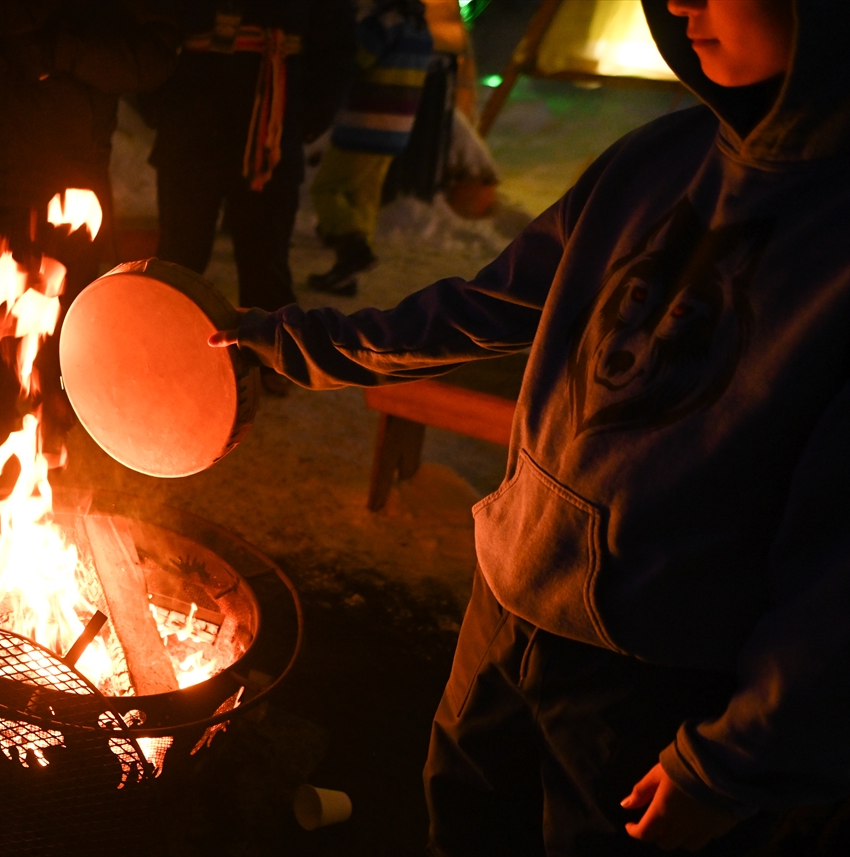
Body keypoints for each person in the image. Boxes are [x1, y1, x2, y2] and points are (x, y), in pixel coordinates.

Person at [213, 0, 850, 853]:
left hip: (659, 675)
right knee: (462, 824)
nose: (681, 4)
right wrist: (293, 345)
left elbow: (837, 570)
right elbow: (483, 307)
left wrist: (734, 762)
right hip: (508, 602)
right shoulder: (656, 159)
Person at [0, 0, 179, 458]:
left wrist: (62, 50)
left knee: (69, 323)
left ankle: (54, 434)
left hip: (74, 179)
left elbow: (152, 56)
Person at [146, 0, 356, 394]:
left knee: (265, 256)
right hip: (190, 121)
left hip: (270, 125)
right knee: (178, 255)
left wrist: (308, 118)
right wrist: (159, 105)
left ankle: (272, 362)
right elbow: (153, 25)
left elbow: (337, 47)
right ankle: (161, 353)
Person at [308, 0, 432, 297]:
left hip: (364, 123)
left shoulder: (382, 24)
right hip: (396, 128)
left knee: (327, 188)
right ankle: (347, 273)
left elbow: (350, 62)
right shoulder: (420, 28)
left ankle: (353, 249)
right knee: (363, 197)